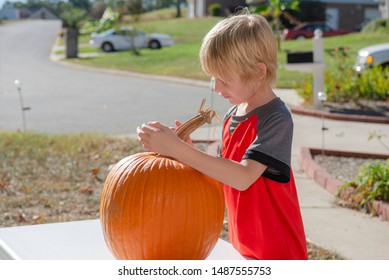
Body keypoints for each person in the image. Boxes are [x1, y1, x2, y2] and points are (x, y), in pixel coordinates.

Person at [137, 12, 308, 260]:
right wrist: (186, 149)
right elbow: (222, 174)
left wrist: (178, 149)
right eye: (213, 78)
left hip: (278, 253)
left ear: (259, 72)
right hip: (245, 248)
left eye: (225, 79)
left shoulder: (276, 118)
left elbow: (243, 177)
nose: (216, 88)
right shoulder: (232, 115)